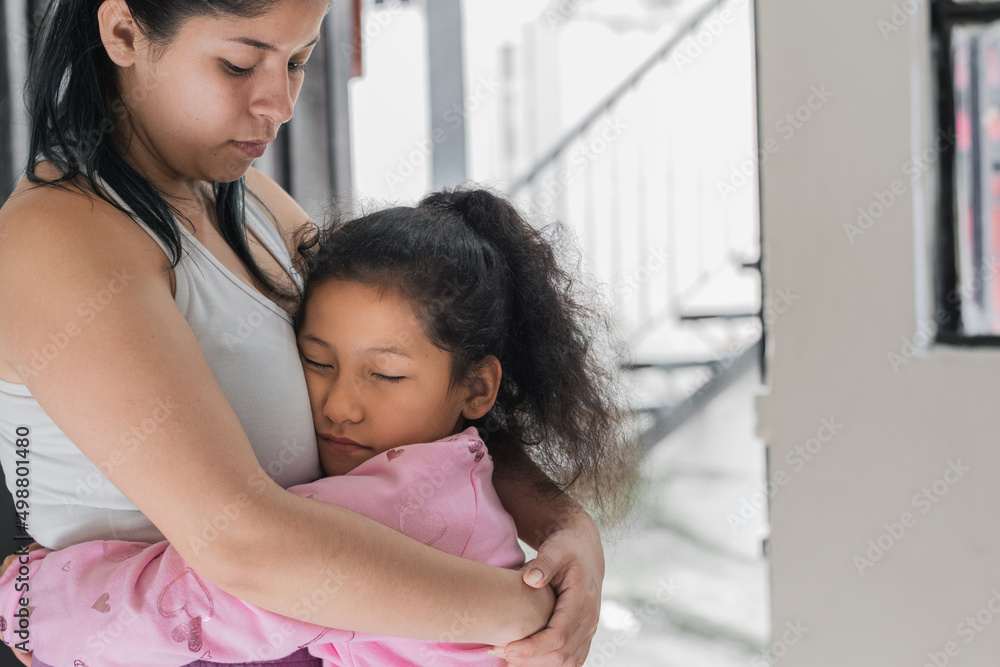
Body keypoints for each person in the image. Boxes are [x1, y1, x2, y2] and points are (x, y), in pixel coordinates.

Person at [0, 1, 616, 665]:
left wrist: (565, 526)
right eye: (239, 64)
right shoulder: (59, 239)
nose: (280, 104)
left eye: (297, 62)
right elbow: (243, 545)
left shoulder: (251, 203)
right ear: (124, 31)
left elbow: (432, 402)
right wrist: (525, 613)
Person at [0, 189, 642, 667]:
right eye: (315, 361)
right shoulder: (449, 478)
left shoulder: (398, 502)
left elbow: (205, 603)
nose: (340, 406)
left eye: (385, 375)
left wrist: (30, 602)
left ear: (477, 389)